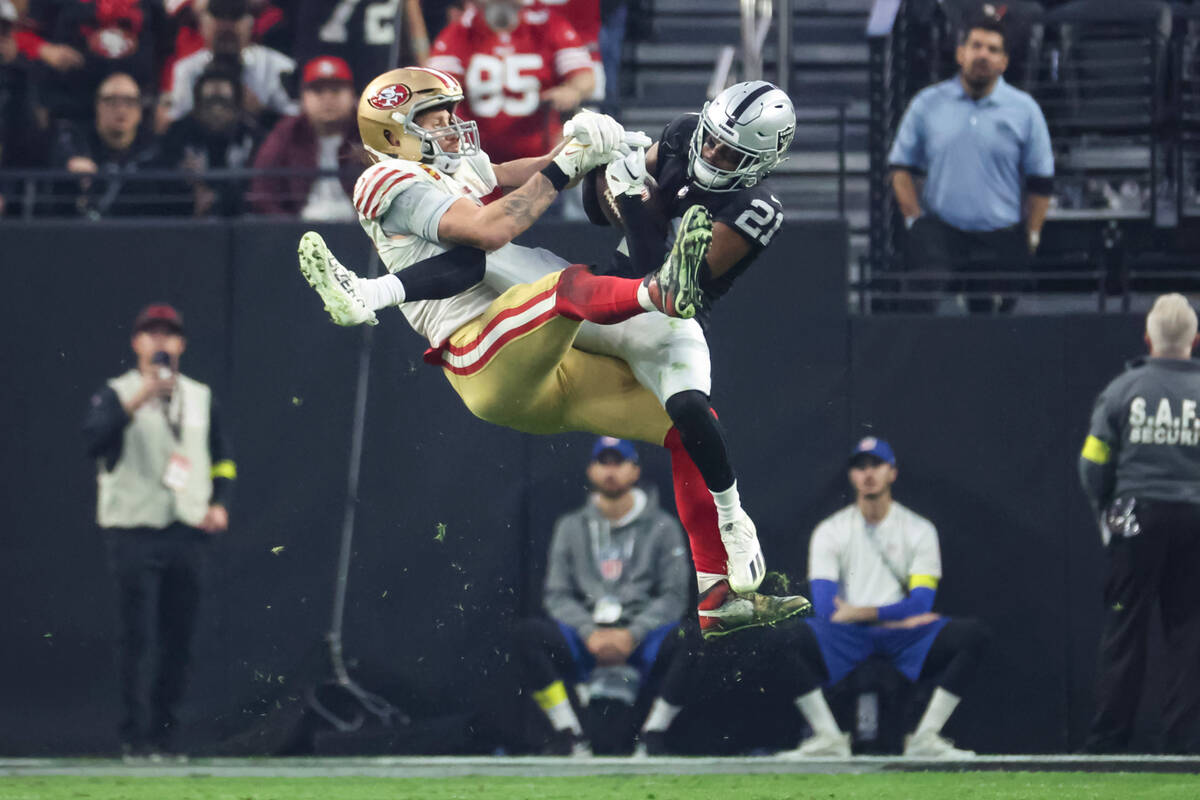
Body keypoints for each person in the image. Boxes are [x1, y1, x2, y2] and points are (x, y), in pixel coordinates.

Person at [297, 66, 808, 638]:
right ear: (393, 134)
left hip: (546, 343)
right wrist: (589, 172)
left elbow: (507, 185)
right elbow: (488, 232)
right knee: (558, 286)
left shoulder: (756, 205)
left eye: (449, 111)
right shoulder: (387, 178)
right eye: (434, 117)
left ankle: (718, 591)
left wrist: (583, 153)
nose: (452, 125)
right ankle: (369, 293)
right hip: (480, 350)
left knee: (687, 424)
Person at [83, 303, 235, 759]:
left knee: (178, 637)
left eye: (169, 335)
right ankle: (133, 736)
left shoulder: (200, 395)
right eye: (151, 334)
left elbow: (221, 456)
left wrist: (219, 503)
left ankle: (164, 739)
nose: (160, 343)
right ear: (137, 343)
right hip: (133, 529)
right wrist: (140, 398)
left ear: (181, 344)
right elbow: (94, 440)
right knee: (137, 638)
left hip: (184, 530)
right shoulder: (117, 392)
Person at [774, 437, 989, 760]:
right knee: (780, 638)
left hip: (902, 636)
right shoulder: (830, 531)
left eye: (876, 465)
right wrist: (895, 614)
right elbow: (825, 608)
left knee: (973, 635)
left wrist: (860, 611)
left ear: (892, 472)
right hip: (849, 637)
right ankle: (828, 737)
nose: (868, 474)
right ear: (852, 476)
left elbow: (921, 604)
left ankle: (925, 738)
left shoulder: (919, 529)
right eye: (860, 467)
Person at [1078, 293, 1200, 754]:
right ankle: (1185, 746)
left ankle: (1108, 744)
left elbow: (1092, 465)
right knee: (1189, 631)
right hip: (1196, 514)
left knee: (1124, 626)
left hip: (1135, 515)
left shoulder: (1123, 389)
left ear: (1147, 339)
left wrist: (1106, 513)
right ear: (1196, 340)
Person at [515, 436, 690, 755]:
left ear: (635, 471)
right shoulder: (570, 526)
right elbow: (556, 595)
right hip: (586, 636)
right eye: (603, 463)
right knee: (527, 635)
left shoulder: (664, 527)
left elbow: (674, 596)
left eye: (619, 463)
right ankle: (569, 733)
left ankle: (653, 735)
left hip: (641, 636)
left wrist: (633, 633)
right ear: (591, 470)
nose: (611, 472)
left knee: (694, 639)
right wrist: (588, 632)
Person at [888, 13, 1054, 312]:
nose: (983, 55)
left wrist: (1031, 234)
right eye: (976, 46)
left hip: (1001, 234)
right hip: (941, 230)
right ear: (960, 54)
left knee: (996, 321)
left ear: (1003, 62)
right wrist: (914, 220)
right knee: (915, 307)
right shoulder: (926, 104)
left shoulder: (1025, 111)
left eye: (992, 50)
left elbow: (1041, 180)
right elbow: (901, 168)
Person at [426, 0, 595, 165]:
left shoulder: (548, 24)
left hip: (541, 156)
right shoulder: (461, 30)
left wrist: (572, 90)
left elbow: (585, 76)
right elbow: (434, 87)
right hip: (476, 158)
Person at [249, 55, 360, 220]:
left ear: (353, 96)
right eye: (317, 90)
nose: (327, 98)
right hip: (301, 232)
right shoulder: (288, 131)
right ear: (303, 98)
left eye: (336, 90)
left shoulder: (368, 132)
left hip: (360, 231)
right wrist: (288, 228)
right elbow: (262, 189)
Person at [163, 0, 296, 131]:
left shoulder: (277, 67)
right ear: (202, 25)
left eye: (235, 15)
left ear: (250, 24)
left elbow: (299, 125)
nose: (227, 24)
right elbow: (176, 125)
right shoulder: (187, 70)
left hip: (259, 147)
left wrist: (263, 113)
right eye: (219, 15)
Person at [47, 71, 163, 217]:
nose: (121, 109)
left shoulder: (153, 150)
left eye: (129, 101)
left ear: (140, 110)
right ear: (98, 106)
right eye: (112, 101)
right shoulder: (75, 140)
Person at [158, 64, 261, 216]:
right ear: (197, 105)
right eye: (210, 102)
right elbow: (160, 183)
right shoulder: (176, 134)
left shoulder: (253, 135)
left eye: (223, 101)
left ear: (236, 105)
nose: (216, 109)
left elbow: (262, 187)